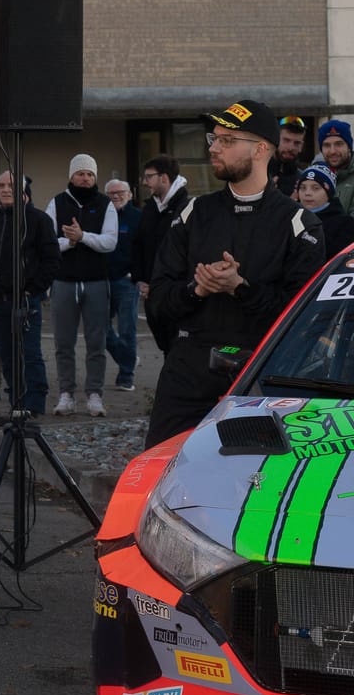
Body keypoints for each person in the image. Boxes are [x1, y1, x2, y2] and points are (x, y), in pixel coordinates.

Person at [146, 100, 325, 447]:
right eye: (214, 138)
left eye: (227, 141)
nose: (213, 147)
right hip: (187, 375)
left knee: (251, 487)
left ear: (260, 150)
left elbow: (303, 322)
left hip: (261, 378)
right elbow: (157, 300)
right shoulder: (193, 213)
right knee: (161, 475)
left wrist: (240, 287)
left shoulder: (300, 224)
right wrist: (196, 290)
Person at [0, 171, 59, 414]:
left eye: (11, 185)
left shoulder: (38, 220)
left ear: (23, 190)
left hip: (25, 300)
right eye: (1, 185)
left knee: (29, 354)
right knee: (7, 355)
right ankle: (17, 404)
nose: (5, 189)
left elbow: (51, 259)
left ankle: (34, 404)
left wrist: (33, 290)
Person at [45, 154, 118, 416]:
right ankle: (66, 394)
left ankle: (95, 394)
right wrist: (70, 242)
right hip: (63, 282)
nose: (85, 178)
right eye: (81, 173)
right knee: (63, 342)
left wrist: (82, 236)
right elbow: (48, 243)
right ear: (71, 176)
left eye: (90, 174)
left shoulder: (104, 204)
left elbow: (110, 242)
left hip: (97, 281)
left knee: (96, 342)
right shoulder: (57, 203)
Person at [132, 154, 191, 357]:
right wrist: (141, 280)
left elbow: (185, 254)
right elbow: (140, 244)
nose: (144, 181)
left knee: (178, 351)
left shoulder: (186, 208)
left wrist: (161, 285)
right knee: (166, 346)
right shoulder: (150, 208)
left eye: (149, 177)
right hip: (152, 294)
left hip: (175, 293)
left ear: (164, 178)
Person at [103, 178, 143, 392]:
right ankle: (128, 358)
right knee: (101, 328)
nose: (116, 196)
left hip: (127, 281)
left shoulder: (138, 218)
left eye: (120, 192)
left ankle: (126, 376)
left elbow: (145, 248)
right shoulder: (102, 215)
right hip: (102, 280)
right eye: (111, 193)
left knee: (128, 329)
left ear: (130, 194)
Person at [295, 164, 354, 257]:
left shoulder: (345, 224)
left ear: (328, 192)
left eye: (315, 188)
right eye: (302, 188)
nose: (307, 193)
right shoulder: (290, 218)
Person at [268, 115, 308, 196]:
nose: (291, 148)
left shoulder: (305, 181)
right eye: (286, 140)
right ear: (275, 139)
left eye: (297, 143)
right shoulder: (255, 174)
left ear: (301, 146)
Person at [321, 119, 354, 212]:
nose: (332, 151)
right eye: (327, 145)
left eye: (339, 144)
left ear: (349, 147)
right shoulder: (315, 176)